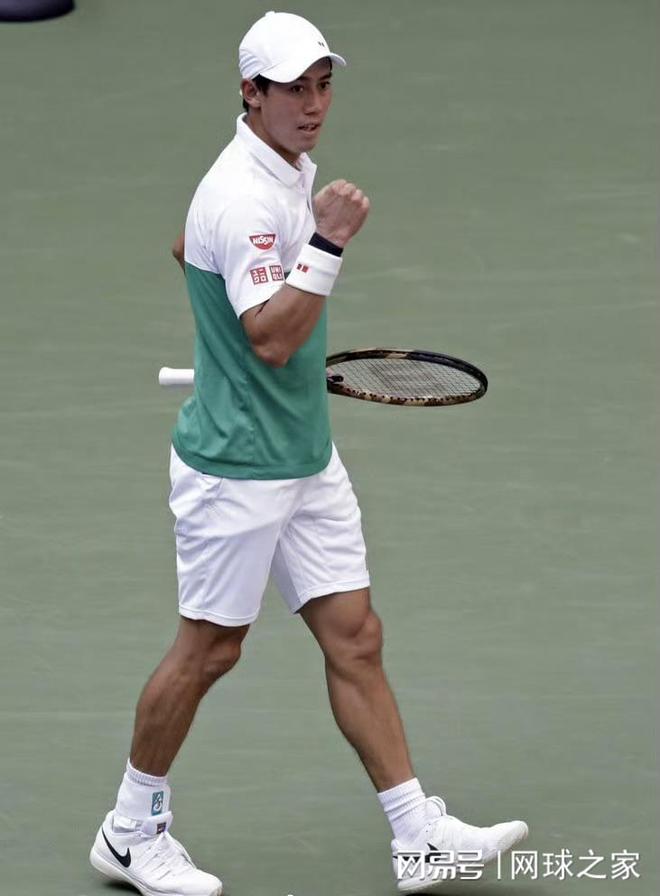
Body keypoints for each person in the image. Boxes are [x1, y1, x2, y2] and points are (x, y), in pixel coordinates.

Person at [89, 12, 528, 896]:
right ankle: (129, 832)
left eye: (324, 85)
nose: (315, 105)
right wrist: (326, 242)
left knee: (355, 637)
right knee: (209, 651)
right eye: (294, 88)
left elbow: (188, 249)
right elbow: (272, 339)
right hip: (237, 469)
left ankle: (416, 832)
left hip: (303, 455)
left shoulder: (282, 170)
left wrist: (219, 326)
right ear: (251, 93)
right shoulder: (244, 195)